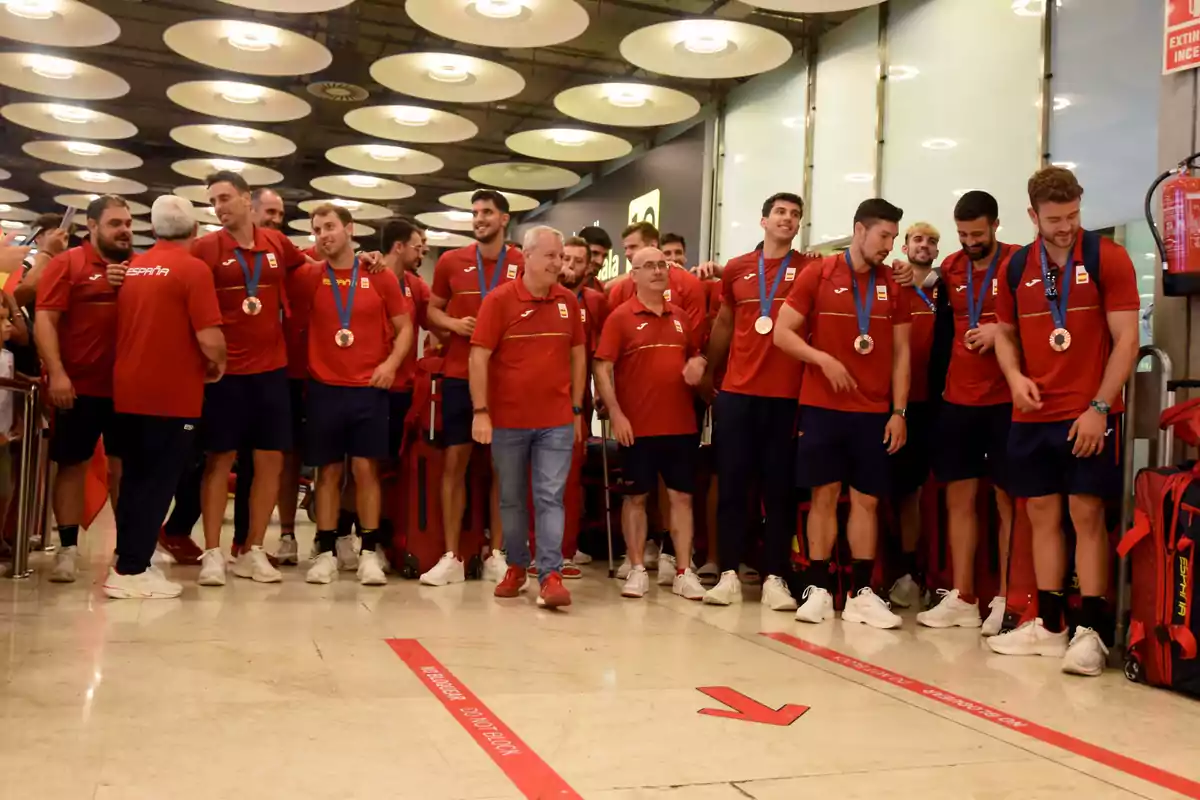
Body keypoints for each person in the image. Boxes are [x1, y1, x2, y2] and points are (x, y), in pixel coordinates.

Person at [987, 167, 1140, 676]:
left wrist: (1099, 406)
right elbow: (1004, 333)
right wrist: (1012, 377)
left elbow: (1126, 341)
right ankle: (1049, 625)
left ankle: (1091, 632)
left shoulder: (1106, 258)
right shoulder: (1014, 268)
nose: (1065, 226)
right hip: (1032, 414)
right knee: (1041, 516)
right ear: (1033, 215)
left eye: (1073, 215)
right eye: (1054, 219)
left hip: (1088, 413)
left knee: (1087, 514)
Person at [774, 198, 911, 629]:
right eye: (883, 236)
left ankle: (862, 593)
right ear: (859, 230)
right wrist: (822, 360)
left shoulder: (894, 284)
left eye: (892, 237)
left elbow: (902, 354)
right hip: (823, 406)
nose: (889, 246)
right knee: (824, 495)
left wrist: (899, 411)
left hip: (873, 411)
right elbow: (782, 333)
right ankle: (817, 587)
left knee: (868, 501)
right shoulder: (818, 273)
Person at [186, 171, 314, 586]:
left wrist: (361, 259)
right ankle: (211, 553)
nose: (220, 207)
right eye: (213, 201)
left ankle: (253, 549)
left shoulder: (276, 242)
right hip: (224, 372)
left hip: (272, 370)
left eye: (225, 198)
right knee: (218, 461)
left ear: (246, 200)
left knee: (271, 460)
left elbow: (311, 267)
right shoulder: (205, 248)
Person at [103, 195, 225, 599]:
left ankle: (128, 560)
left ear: (152, 231)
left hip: (128, 391)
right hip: (171, 395)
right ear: (195, 231)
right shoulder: (193, 270)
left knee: (135, 479)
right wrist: (218, 363)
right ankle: (132, 569)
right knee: (157, 483)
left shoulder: (134, 268)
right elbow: (210, 338)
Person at [910, 192, 1019, 633]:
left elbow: (1036, 320)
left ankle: (1006, 597)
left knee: (1006, 499)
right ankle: (963, 595)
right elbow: (912, 283)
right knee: (959, 497)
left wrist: (1001, 330)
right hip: (957, 399)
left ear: (995, 225)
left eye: (978, 233)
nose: (971, 241)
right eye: (963, 234)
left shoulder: (1018, 263)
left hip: (1005, 399)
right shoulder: (950, 269)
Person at [700, 193, 815, 609]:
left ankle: (776, 578)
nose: (788, 219)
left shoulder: (810, 270)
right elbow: (725, 323)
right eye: (781, 213)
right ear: (763, 220)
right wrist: (709, 371)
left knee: (779, 491)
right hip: (738, 394)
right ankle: (728, 572)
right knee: (731, 486)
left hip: (786, 397)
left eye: (795, 214)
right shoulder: (737, 269)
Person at [291, 204, 412, 585]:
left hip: (369, 389)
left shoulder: (379, 276)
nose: (323, 234)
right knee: (326, 473)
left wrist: (390, 365)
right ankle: (325, 552)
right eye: (316, 229)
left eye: (330, 227)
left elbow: (405, 327)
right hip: (325, 388)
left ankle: (368, 553)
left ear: (349, 228)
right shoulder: (310, 275)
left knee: (366, 471)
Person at [470, 225, 585, 609]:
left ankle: (550, 574)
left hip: (556, 419)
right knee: (512, 499)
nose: (559, 263)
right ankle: (517, 566)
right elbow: (479, 356)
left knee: (550, 496)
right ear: (528, 257)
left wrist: (577, 409)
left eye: (562, 256)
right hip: (508, 420)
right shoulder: (499, 301)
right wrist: (481, 411)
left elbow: (578, 354)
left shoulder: (568, 301)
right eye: (552, 256)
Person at [420, 190, 524, 586]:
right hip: (459, 376)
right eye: (475, 213)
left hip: (506, 380)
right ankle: (451, 556)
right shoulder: (451, 261)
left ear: (504, 219)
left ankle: (496, 552)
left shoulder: (521, 262)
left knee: (504, 469)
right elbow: (431, 310)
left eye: (487, 212)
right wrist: (453, 325)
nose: (479, 218)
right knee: (455, 464)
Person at [593, 246, 707, 600]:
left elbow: (695, 354)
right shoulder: (621, 317)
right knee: (636, 498)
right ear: (634, 274)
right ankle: (638, 567)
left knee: (682, 499)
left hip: (680, 425)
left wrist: (699, 365)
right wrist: (617, 413)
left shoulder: (681, 317)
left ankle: (685, 571)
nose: (658, 271)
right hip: (637, 427)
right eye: (649, 266)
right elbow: (602, 367)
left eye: (662, 265)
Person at [35, 195, 133, 583]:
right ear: (91, 227)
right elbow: (46, 321)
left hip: (127, 390)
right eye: (115, 223)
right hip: (78, 387)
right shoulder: (67, 263)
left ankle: (129, 547)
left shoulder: (140, 268)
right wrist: (57, 372)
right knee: (73, 465)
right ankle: (68, 548)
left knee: (125, 468)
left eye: (127, 223)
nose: (124, 230)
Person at [886, 222, 941, 611]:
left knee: (913, 492)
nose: (924, 245)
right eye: (917, 239)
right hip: (886, 402)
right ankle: (873, 571)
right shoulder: (889, 284)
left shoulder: (948, 288)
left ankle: (909, 571)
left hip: (928, 404)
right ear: (904, 247)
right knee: (875, 489)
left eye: (931, 241)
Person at [556, 235, 608, 579]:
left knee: (570, 476)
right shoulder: (542, 294)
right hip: (536, 396)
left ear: (588, 266)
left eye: (578, 261)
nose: (570, 267)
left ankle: (566, 549)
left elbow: (602, 356)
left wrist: (605, 393)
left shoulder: (596, 302)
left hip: (578, 401)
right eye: (566, 259)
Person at [382, 217, 432, 460]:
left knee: (396, 460)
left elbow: (436, 318)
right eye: (416, 247)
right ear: (399, 247)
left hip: (402, 386)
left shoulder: (416, 285)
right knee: (362, 464)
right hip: (367, 383)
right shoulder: (366, 275)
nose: (421, 252)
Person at [578, 225, 612, 292]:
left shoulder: (602, 292)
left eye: (604, 256)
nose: (600, 261)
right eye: (594, 253)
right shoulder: (555, 284)